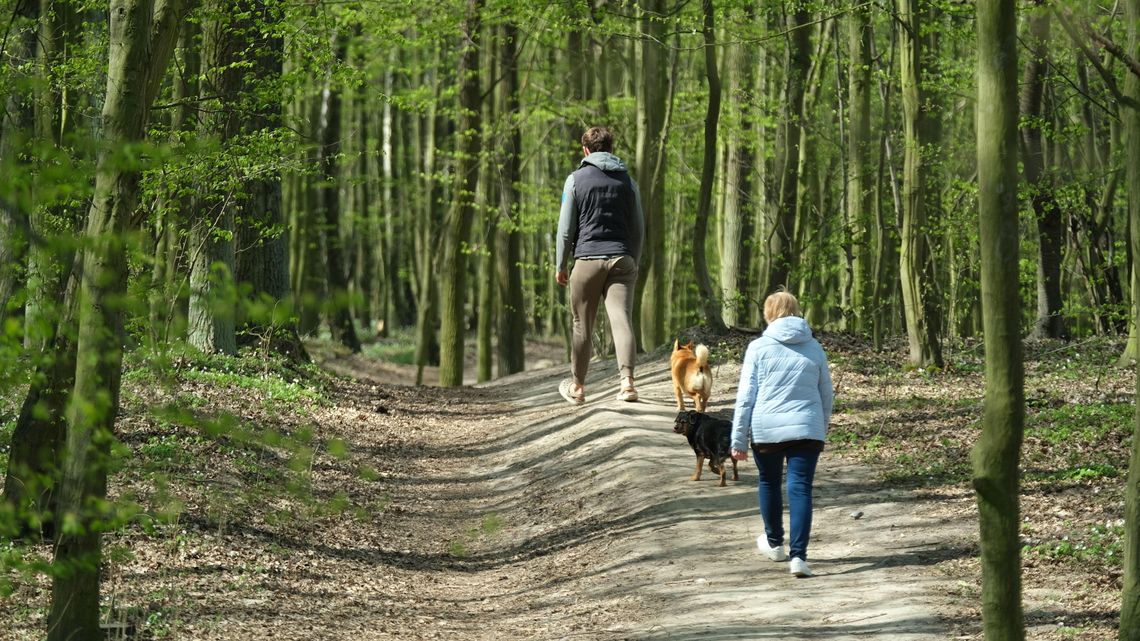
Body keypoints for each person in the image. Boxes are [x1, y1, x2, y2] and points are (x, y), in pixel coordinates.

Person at [730, 291, 833, 577]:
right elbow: (827, 394)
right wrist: (820, 428)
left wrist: (738, 439)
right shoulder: (814, 347)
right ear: (796, 311)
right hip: (808, 429)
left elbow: (746, 396)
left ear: (768, 314)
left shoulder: (758, 347)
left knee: (769, 482)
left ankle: (775, 544)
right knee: (800, 487)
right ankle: (799, 557)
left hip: (767, 429)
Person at [554, 126, 645, 406]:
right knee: (621, 318)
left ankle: (578, 388)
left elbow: (565, 230)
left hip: (587, 260)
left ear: (585, 150)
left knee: (582, 325)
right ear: (611, 148)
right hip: (622, 259)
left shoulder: (575, 180)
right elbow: (638, 227)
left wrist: (561, 264)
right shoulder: (628, 181)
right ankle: (627, 383)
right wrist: (634, 261)